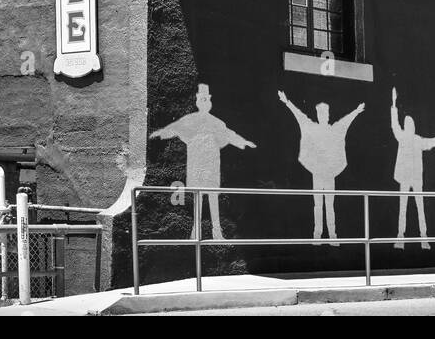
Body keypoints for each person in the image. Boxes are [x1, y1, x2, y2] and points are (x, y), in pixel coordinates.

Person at [150, 84, 256, 240]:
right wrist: (159, 133)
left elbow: (229, 134)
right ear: (198, 101)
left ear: (210, 102)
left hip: (212, 165)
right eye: (202, 99)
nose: (205, 102)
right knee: (197, 196)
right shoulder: (190, 120)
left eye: (207, 100)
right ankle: (196, 231)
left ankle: (217, 231)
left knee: (213, 196)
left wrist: (243, 141)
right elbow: (175, 128)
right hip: (196, 165)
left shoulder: (217, 122)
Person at [278, 91, 365, 245]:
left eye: (325, 113)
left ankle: (332, 236)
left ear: (328, 115)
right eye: (321, 113)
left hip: (329, 174)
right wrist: (287, 102)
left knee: (329, 204)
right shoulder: (313, 128)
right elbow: (300, 116)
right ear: (318, 114)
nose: (323, 115)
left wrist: (356, 111)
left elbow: (345, 122)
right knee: (318, 205)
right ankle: (317, 236)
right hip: (317, 173)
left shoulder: (334, 129)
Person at [389, 87, 435, 249]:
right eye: (408, 124)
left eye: (410, 124)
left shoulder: (416, 140)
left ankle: (423, 237)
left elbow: (430, 142)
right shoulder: (402, 137)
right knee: (404, 207)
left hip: (416, 178)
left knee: (419, 207)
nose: (409, 126)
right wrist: (394, 104)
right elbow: (394, 124)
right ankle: (400, 237)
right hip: (405, 177)